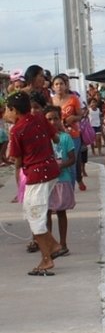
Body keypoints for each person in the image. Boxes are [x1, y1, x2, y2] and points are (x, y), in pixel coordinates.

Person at [5, 92, 63, 276]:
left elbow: (18, 160)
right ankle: (53, 245)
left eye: (8, 109)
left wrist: (14, 166)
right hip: (51, 169)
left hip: (37, 175)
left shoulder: (17, 130)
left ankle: (47, 259)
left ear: (14, 110)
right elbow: (56, 139)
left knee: (35, 217)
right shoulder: (39, 119)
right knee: (35, 213)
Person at [43, 106, 75, 259]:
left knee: (61, 212)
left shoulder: (65, 137)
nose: (52, 122)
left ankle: (63, 243)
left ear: (60, 119)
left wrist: (62, 165)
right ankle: (50, 244)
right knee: (47, 212)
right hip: (47, 181)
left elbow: (72, 158)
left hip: (62, 179)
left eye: (55, 118)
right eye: (49, 119)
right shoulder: (42, 138)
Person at [51, 74, 85, 191]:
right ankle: (60, 191)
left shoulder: (73, 99)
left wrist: (74, 118)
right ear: (53, 87)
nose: (59, 86)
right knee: (59, 162)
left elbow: (81, 115)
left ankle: (70, 191)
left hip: (73, 135)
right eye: (56, 84)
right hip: (56, 136)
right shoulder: (51, 101)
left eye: (61, 84)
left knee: (71, 164)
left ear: (65, 86)